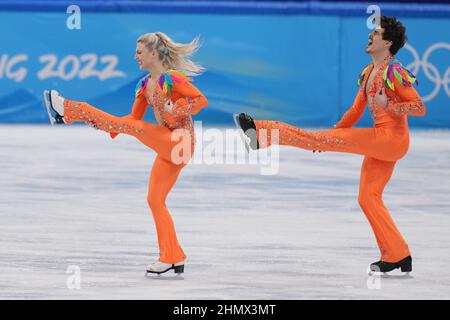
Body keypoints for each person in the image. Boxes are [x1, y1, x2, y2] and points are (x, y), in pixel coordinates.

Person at [234, 16, 425, 274]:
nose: (371, 36)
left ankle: (260, 132)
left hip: (390, 139)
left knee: (316, 141)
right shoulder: (370, 72)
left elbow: (418, 107)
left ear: (388, 42)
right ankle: (397, 253)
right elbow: (355, 111)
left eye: (377, 34)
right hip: (383, 142)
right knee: (368, 198)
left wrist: (388, 105)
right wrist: (333, 136)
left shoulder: (394, 71)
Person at [43, 32, 208, 274]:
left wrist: (181, 107)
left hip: (181, 142)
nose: (135, 57)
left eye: (139, 52)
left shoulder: (172, 79)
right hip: (167, 146)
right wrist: (108, 125)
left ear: (153, 53)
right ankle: (173, 255)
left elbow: (201, 100)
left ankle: (70, 110)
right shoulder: (143, 87)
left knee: (136, 129)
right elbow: (132, 119)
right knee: (155, 200)